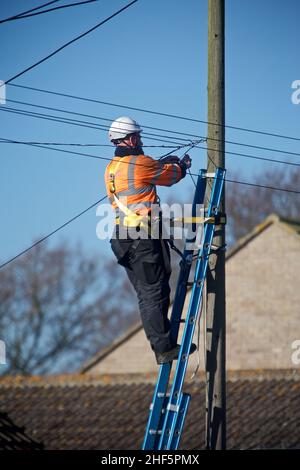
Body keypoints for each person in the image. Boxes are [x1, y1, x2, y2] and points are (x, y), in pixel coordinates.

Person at [104, 116, 196, 364]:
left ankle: (163, 343)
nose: (141, 140)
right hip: (141, 237)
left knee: (147, 294)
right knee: (154, 292)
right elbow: (169, 176)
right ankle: (164, 348)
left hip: (121, 239)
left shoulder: (112, 168)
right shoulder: (139, 163)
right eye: (140, 136)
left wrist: (161, 163)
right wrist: (182, 166)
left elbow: (148, 171)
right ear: (132, 138)